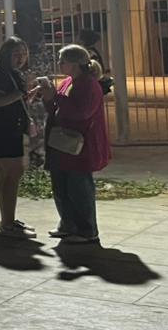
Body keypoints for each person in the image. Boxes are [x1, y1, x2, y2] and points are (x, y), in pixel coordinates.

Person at [44, 44, 112, 244]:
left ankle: (87, 230)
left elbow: (80, 113)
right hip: (62, 143)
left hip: (80, 146)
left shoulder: (88, 85)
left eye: (62, 61)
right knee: (61, 186)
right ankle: (68, 224)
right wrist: (48, 97)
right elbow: (56, 108)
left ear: (74, 64)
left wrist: (54, 97)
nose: (59, 64)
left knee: (79, 188)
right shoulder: (68, 82)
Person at [0, 37, 37, 238]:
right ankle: (8, 223)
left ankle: (8, 219)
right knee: (14, 173)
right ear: (5, 54)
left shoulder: (12, 73)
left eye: (23, 53)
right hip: (1, 129)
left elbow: (14, 98)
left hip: (8, 128)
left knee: (5, 173)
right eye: (16, 53)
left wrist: (26, 94)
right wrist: (20, 93)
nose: (21, 58)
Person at [78, 28, 114, 95]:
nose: (78, 40)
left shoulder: (89, 53)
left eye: (80, 38)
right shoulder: (91, 51)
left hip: (93, 81)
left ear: (84, 41)